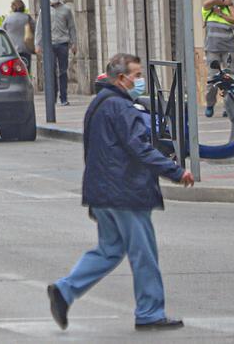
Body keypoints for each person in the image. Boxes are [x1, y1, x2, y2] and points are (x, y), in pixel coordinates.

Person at [47, 53, 194, 332]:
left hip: (104, 191)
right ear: (121, 78)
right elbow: (140, 149)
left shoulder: (98, 104)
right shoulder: (123, 108)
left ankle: (65, 291)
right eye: (137, 75)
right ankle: (150, 312)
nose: (140, 81)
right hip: (126, 192)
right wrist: (175, 171)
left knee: (109, 250)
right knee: (144, 254)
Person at [201, 0, 234, 117]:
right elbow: (206, 3)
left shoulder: (228, 8)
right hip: (212, 49)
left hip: (228, 49)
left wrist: (221, 13)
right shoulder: (207, 10)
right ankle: (210, 104)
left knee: (229, 78)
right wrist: (220, 2)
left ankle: (229, 106)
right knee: (213, 79)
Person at [49, 0, 78, 106]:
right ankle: (52, 97)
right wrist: (37, 43)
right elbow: (40, 28)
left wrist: (74, 43)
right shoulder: (44, 10)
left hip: (63, 44)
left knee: (62, 71)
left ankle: (64, 97)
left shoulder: (66, 9)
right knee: (51, 71)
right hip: (49, 44)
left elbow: (71, 27)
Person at [3, 0, 36, 71]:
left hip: (11, 49)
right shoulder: (27, 18)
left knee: (12, 71)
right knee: (25, 70)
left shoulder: (8, 18)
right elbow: (35, 29)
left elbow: (3, 32)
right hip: (25, 48)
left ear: (13, 7)